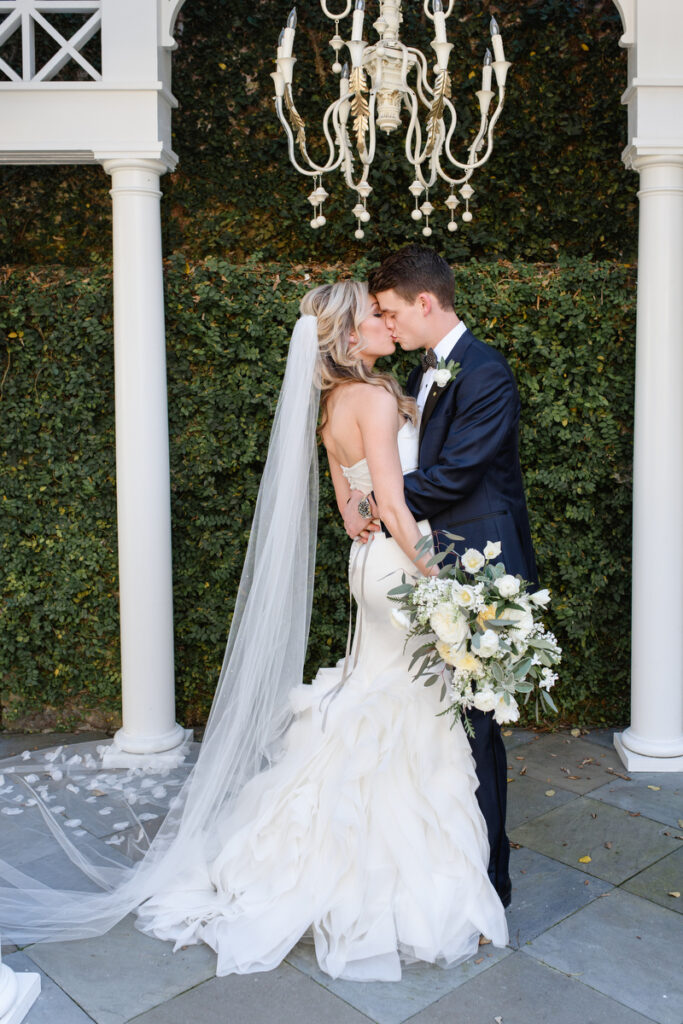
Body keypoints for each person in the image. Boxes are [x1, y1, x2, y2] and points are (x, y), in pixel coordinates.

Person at [0, 280, 507, 984]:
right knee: (407, 708)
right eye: (373, 315)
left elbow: (349, 509)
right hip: (402, 565)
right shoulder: (374, 398)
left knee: (379, 698)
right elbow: (390, 502)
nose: (384, 322)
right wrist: (443, 584)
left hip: (368, 565)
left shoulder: (330, 407)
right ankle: (399, 879)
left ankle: (321, 851)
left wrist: (381, 530)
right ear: (349, 337)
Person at [342, 246, 538, 909]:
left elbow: (455, 474)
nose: (387, 325)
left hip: (480, 568)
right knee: (430, 722)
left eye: (391, 312)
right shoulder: (420, 375)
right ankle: (435, 866)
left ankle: (490, 882)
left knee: (476, 725)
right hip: (425, 561)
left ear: (424, 303)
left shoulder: (485, 374)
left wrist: (377, 503)